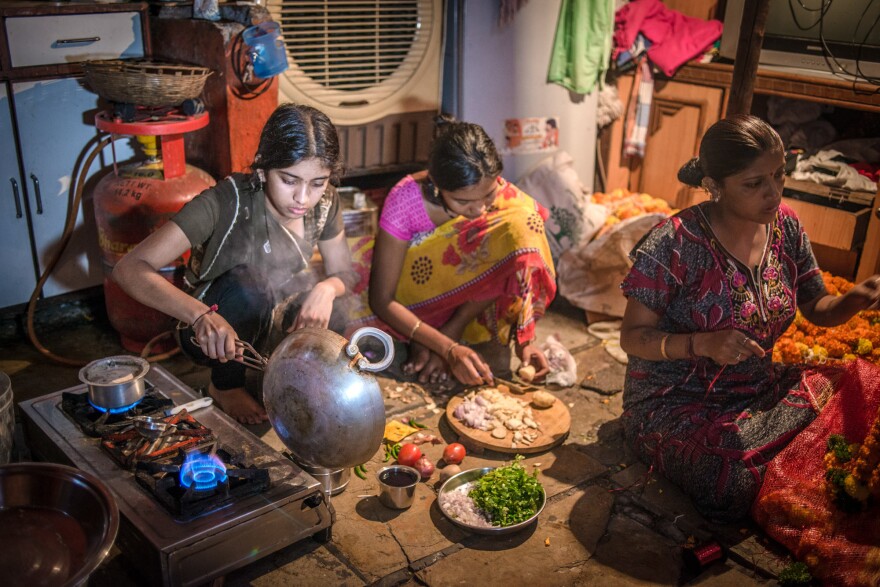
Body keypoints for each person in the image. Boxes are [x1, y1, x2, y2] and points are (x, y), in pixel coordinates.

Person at [618, 114, 880, 522]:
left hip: (759, 390)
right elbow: (632, 337)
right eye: (754, 183)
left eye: (779, 175)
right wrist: (700, 343)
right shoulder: (674, 243)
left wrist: (857, 298)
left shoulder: (787, 226)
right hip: (676, 404)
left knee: (860, 386)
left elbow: (818, 307)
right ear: (715, 187)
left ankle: (782, 458)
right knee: (733, 480)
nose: (773, 193)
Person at [113, 103, 357, 425]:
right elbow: (129, 269)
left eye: (317, 183)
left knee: (337, 312)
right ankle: (224, 385)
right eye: (289, 180)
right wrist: (199, 316)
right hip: (212, 325)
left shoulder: (325, 203)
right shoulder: (224, 202)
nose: (303, 198)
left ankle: (290, 377)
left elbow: (345, 274)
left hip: (272, 314)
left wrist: (327, 288)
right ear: (263, 169)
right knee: (250, 286)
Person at [349, 115, 557, 387]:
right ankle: (418, 336)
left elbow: (506, 267)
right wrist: (447, 348)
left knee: (524, 224)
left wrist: (524, 342)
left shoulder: (502, 195)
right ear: (436, 183)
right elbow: (382, 299)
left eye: (488, 195)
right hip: (410, 302)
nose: (479, 209)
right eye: (463, 201)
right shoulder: (405, 201)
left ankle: (435, 334)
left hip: (467, 306)